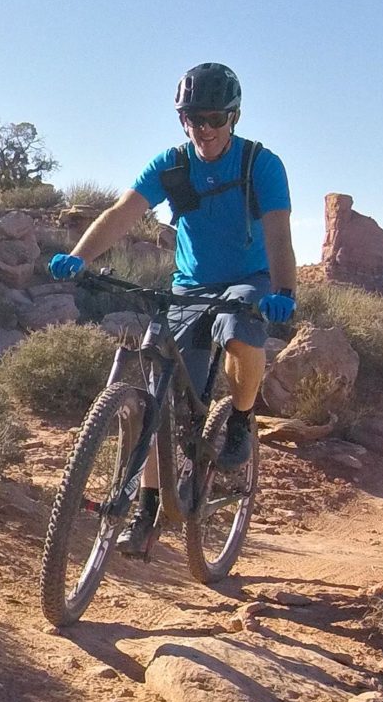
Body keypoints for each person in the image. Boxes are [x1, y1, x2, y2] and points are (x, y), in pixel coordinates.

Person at [46, 61, 296, 470]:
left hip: (247, 280)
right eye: (194, 118)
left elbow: (278, 235)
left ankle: (240, 417)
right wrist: (78, 256)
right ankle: (146, 511)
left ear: (234, 117)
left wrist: (284, 292)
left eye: (215, 118)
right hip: (189, 286)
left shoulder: (260, 165)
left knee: (241, 335)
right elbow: (121, 214)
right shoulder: (172, 165)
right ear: (182, 119)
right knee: (162, 405)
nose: (205, 128)